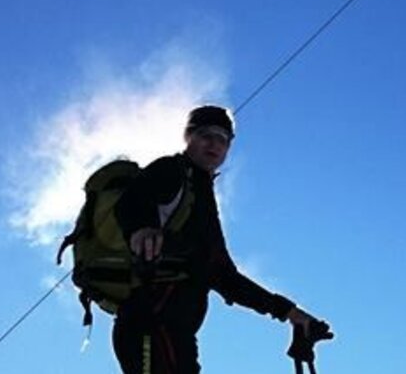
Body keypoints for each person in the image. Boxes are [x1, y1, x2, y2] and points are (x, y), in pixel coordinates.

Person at [112, 105, 320, 373]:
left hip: (173, 331)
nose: (214, 144)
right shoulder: (171, 170)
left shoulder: (201, 194)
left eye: (222, 138)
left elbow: (223, 276)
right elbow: (132, 201)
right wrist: (140, 229)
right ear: (189, 137)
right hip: (153, 320)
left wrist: (289, 313)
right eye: (206, 135)